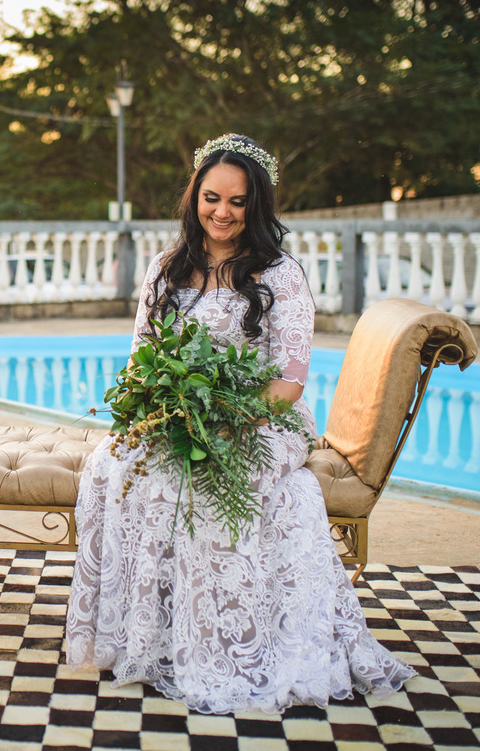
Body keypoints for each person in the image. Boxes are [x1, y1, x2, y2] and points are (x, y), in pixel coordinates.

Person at [65, 134, 414, 713]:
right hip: (179, 412)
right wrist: (162, 409)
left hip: (265, 416)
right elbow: (141, 360)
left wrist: (229, 421)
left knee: (217, 477)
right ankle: (156, 637)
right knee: (119, 465)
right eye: (212, 198)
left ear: (258, 205)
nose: (222, 212)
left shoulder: (281, 273)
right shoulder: (166, 268)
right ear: (194, 197)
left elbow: (290, 380)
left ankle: (232, 642)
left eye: (238, 201)